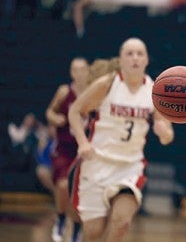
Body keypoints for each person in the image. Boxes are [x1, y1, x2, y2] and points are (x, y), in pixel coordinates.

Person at [68, 37, 174, 242]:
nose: (135, 58)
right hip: (97, 162)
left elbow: (167, 136)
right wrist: (83, 143)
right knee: (94, 232)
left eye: (139, 53)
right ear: (121, 59)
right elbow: (74, 111)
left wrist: (163, 131)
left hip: (130, 166)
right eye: (129, 53)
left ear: (146, 60)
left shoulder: (154, 91)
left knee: (122, 221)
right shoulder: (107, 84)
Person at [46, 57, 90, 242]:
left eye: (82, 69)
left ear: (88, 71)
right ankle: (61, 219)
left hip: (84, 150)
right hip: (64, 147)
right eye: (75, 69)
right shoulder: (65, 91)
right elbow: (50, 112)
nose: (79, 73)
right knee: (63, 185)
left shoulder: (94, 93)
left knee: (81, 192)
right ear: (71, 72)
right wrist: (55, 119)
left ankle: (77, 228)